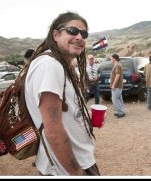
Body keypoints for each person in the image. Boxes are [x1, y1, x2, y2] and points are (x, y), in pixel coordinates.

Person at [24, 12, 100, 176]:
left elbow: (64, 113)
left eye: (84, 34)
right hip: (64, 169)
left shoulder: (58, 64)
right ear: (56, 34)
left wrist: (85, 118)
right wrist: (76, 172)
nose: (80, 37)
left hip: (77, 161)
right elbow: (53, 131)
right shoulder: (50, 65)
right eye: (72, 31)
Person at [110, 54, 125, 118]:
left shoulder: (117, 65)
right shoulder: (117, 65)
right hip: (117, 86)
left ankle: (121, 112)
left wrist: (113, 85)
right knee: (118, 99)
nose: (111, 60)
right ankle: (120, 111)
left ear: (114, 58)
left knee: (115, 99)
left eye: (111, 58)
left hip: (117, 86)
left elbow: (117, 76)